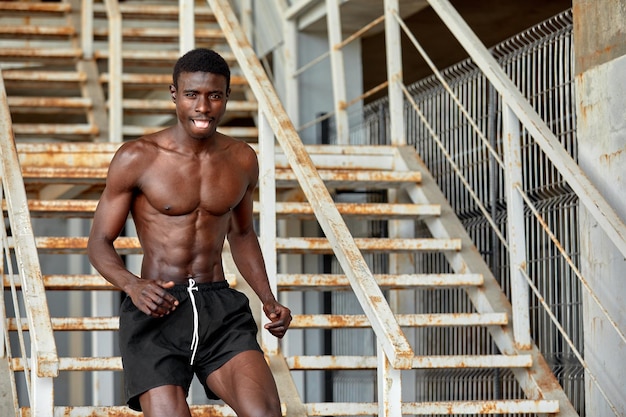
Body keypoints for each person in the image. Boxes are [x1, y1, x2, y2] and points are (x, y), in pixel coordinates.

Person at [87, 48, 291, 417]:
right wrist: (132, 285)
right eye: (191, 95)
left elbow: (242, 234)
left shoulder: (242, 159)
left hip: (220, 309)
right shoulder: (138, 157)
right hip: (157, 309)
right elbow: (99, 242)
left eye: (214, 95)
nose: (203, 107)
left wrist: (267, 298)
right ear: (174, 95)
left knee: (266, 413)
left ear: (226, 96)